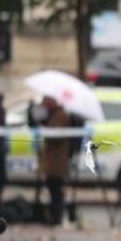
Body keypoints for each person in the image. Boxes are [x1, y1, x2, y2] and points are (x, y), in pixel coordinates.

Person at [34, 96, 74, 226]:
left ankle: (57, 217)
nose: (44, 105)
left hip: (57, 161)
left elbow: (57, 137)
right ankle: (54, 216)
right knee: (53, 189)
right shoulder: (54, 115)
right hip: (52, 161)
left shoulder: (60, 116)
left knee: (56, 190)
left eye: (46, 102)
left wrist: (46, 129)